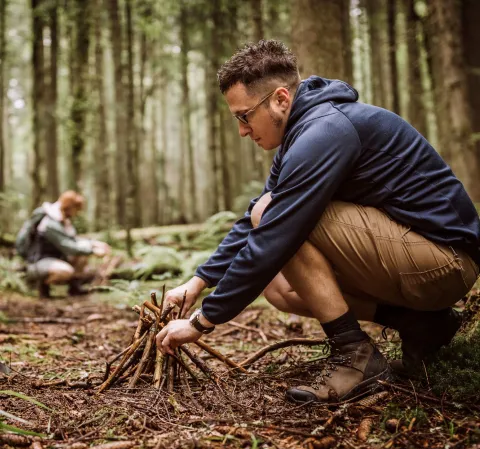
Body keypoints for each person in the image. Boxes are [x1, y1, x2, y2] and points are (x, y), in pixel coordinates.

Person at [156, 40, 480, 404]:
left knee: (275, 218)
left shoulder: (326, 131)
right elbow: (252, 221)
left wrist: (202, 322)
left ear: (280, 99)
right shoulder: (303, 136)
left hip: (446, 262)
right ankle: (422, 324)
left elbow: (274, 229)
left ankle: (355, 356)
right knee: (278, 286)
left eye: (244, 116)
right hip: (417, 260)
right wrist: (198, 282)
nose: (243, 131)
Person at [20, 190, 110, 298]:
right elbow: (68, 246)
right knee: (65, 271)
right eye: (76, 209)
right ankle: (42, 287)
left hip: (55, 259)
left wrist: (93, 243)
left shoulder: (63, 220)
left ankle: (74, 288)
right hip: (38, 262)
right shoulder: (50, 223)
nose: (77, 213)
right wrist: (93, 250)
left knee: (81, 257)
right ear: (70, 207)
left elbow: (73, 240)